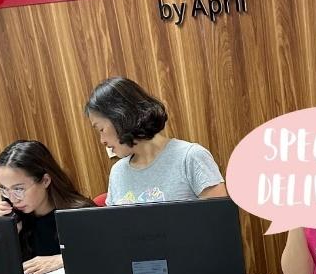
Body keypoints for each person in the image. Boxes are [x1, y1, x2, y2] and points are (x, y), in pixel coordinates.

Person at [86, 77, 227, 205]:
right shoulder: (117, 173)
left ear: (121, 117)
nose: (102, 141)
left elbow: (221, 224)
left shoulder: (191, 158)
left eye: (101, 129)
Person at [0, 140, 95, 274]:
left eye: (18, 189)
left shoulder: (79, 214)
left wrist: (62, 260)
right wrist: (6, 235)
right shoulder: (17, 220)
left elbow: (103, 255)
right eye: (5, 190)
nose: (13, 199)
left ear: (45, 181)